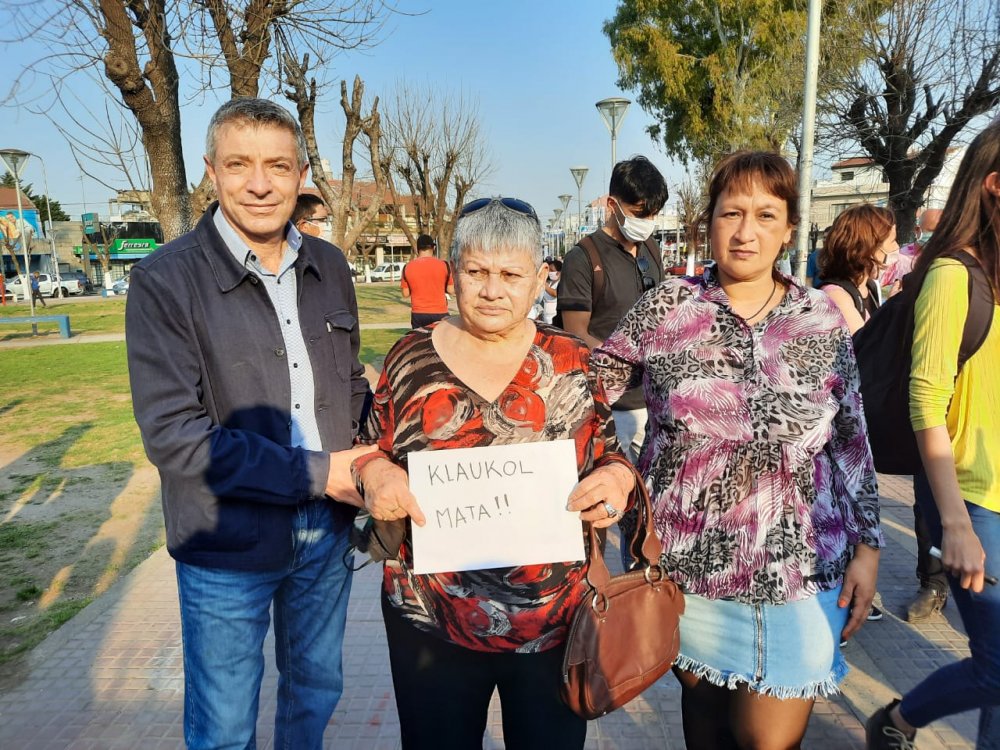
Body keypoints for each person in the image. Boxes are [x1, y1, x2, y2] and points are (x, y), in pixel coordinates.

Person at [594, 151, 882, 750]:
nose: (746, 232)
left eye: (765, 215)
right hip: (687, 573)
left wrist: (869, 547)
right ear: (709, 222)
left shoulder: (821, 319)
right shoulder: (668, 308)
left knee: (771, 743)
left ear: (789, 229)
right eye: (731, 213)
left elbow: (852, 440)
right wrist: (614, 470)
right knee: (705, 732)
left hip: (801, 572)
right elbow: (587, 392)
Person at [125, 98, 375, 750]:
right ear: (211, 171)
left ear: (301, 174)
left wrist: (373, 456)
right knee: (225, 726)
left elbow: (348, 383)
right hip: (226, 542)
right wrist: (320, 472)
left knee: (315, 693)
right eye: (239, 164)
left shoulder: (333, 268)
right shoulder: (163, 280)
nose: (259, 183)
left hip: (324, 538)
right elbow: (175, 436)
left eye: (277, 165)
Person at [351, 196, 637, 750]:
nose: (491, 289)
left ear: (538, 282)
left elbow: (608, 453)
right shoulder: (409, 358)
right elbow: (368, 447)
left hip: (555, 620)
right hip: (430, 619)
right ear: (453, 275)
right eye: (476, 271)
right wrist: (374, 474)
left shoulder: (572, 360)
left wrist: (618, 482)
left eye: (511, 274)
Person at [865, 119, 1000, 750]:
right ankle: (898, 720)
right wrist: (954, 524)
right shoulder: (952, 276)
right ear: (995, 186)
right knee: (998, 666)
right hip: (975, 504)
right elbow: (927, 401)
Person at [557, 155, 668, 463]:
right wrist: (628, 361)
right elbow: (575, 334)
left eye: (652, 215)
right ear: (611, 205)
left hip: (657, 401)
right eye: (637, 214)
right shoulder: (583, 259)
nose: (646, 223)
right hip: (612, 408)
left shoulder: (652, 248)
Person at [818, 204, 897, 335]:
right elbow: (864, 349)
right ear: (869, 247)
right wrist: (892, 309)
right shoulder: (836, 296)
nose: (897, 247)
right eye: (893, 241)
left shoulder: (869, 287)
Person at [400, 233, 454, 329]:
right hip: (440, 312)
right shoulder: (444, 265)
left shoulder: (407, 267)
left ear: (417, 249)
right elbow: (451, 290)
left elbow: (405, 294)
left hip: (418, 314)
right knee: (440, 342)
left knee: (420, 342)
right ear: (433, 248)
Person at [881, 208, 942, 289]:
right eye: (932, 231)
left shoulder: (950, 259)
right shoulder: (897, 259)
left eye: (942, 232)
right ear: (917, 230)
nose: (938, 236)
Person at [541, 257, 562, 324]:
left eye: (552, 270)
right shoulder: (549, 282)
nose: (549, 272)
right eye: (549, 270)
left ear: (558, 272)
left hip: (554, 316)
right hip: (545, 315)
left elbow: (555, 293)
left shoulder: (561, 283)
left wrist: (545, 286)